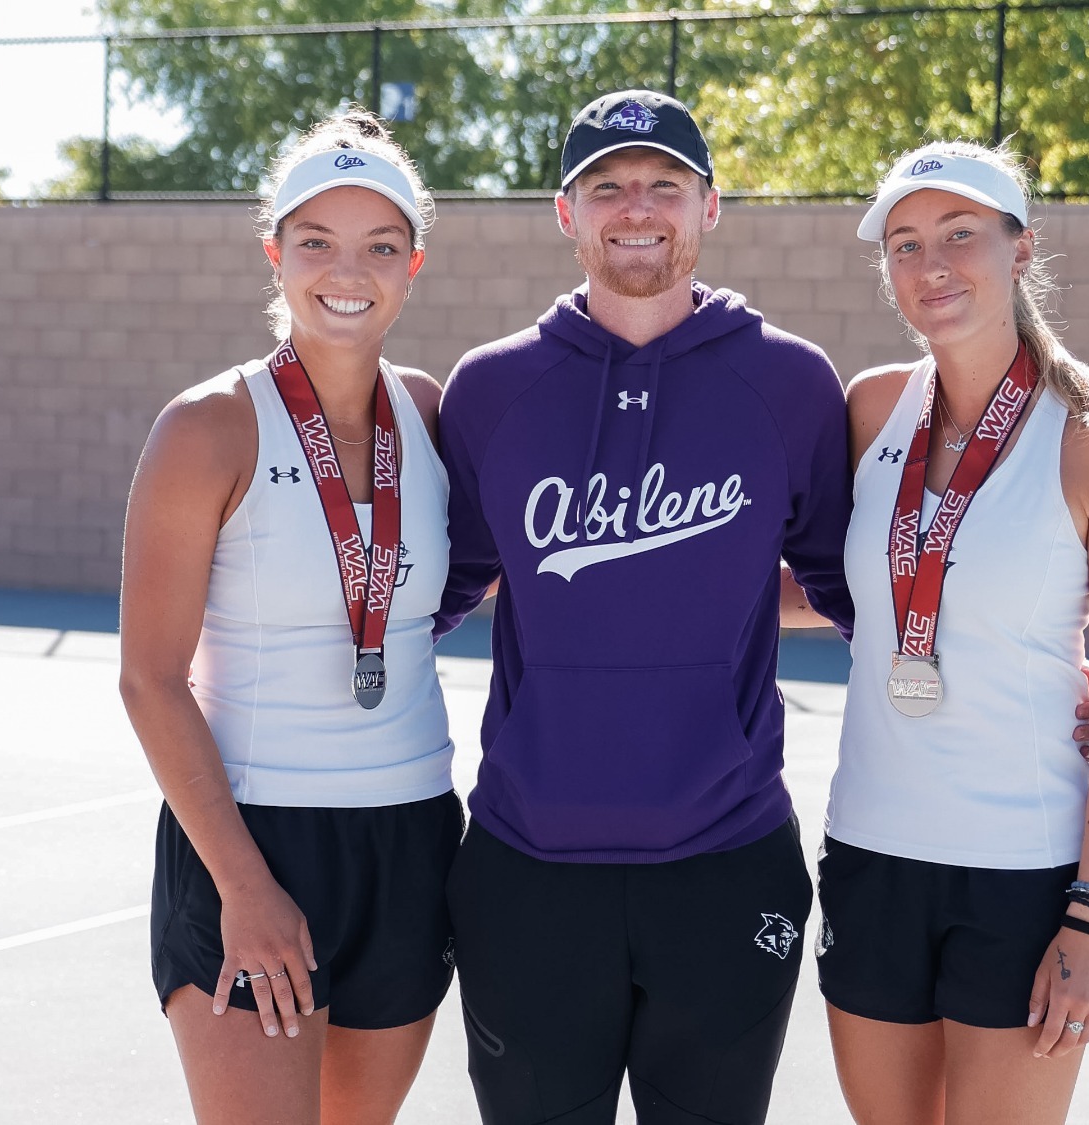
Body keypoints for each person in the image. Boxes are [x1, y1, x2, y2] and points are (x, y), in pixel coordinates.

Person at [432, 90, 856, 1125]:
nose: (636, 207)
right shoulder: (490, 390)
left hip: (725, 859)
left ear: (709, 207)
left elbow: (853, 593)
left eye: (664, 184)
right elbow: (440, 586)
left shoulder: (790, 382)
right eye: (606, 185)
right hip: (528, 868)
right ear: (564, 212)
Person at [813, 141, 1089, 1125]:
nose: (932, 265)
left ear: (1019, 248)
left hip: (1022, 876)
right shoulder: (872, 408)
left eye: (960, 235)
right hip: (870, 856)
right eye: (904, 244)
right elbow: (852, 591)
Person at [118, 111, 457, 1125]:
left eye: (378, 246)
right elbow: (148, 678)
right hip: (252, 837)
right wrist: (245, 886)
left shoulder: (433, 413)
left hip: (410, 834)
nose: (346, 270)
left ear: (412, 265)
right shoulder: (207, 426)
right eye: (316, 242)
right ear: (275, 252)